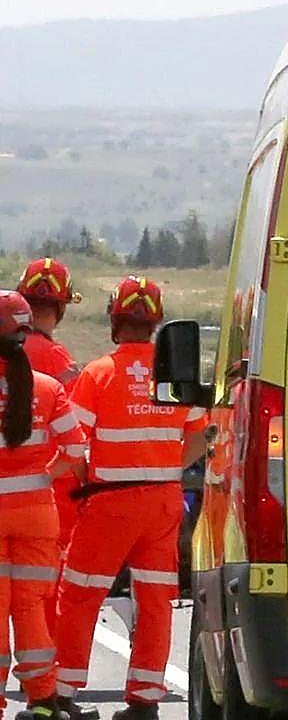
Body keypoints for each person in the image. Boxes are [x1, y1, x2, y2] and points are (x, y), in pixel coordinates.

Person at [55, 277, 208, 720]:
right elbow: (200, 438)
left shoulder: (99, 373)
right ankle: (144, 700)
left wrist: (90, 478)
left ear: (113, 320)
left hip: (109, 502)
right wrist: (164, 468)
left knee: (81, 594)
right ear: (157, 324)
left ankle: (64, 694)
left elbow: (73, 444)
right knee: (156, 599)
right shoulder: (175, 377)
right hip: (162, 501)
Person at [0, 290, 86, 720]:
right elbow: (76, 450)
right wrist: (42, 476)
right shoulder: (49, 387)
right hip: (37, 513)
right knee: (32, 605)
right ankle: (42, 700)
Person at [16, 258, 84, 637]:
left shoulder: (9, 350)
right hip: (50, 490)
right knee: (44, 584)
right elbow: (75, 431)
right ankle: (43, 669)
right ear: (59, 308)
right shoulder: (56, 359)